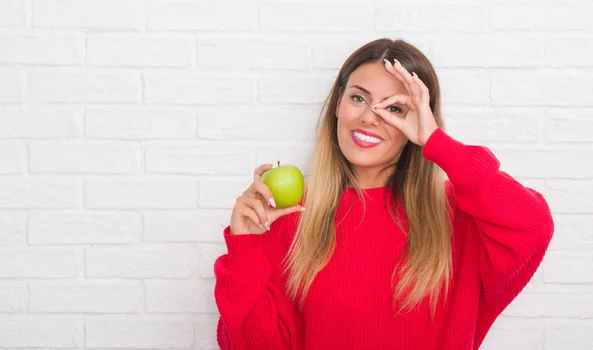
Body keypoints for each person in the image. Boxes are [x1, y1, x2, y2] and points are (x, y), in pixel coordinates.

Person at [212, 38, 554, 350]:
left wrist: (437, 143)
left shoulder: (456, 217)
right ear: (337, 105)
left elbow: (533, 225)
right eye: (358, 98)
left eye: (394, 109)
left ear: (418, 122)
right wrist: (246, 245)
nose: (369, 118)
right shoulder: (292, 218)